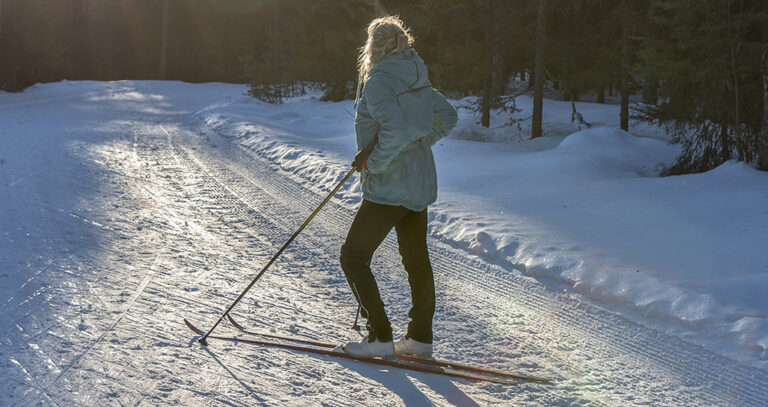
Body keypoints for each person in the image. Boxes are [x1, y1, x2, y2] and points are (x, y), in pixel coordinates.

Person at [340, 16, 458, 359]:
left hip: (389, 187)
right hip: (418, 185)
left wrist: (372, 163)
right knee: (416, 260)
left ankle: (379, 337)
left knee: (353, 256)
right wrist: (421, 143)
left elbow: (395, 132)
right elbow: (446, 117)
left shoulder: (378, 83)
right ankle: (419, 339)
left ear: (372, 47)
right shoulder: (417, 77)